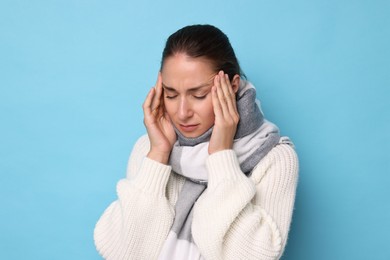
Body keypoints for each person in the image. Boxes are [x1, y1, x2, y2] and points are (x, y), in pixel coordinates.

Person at [94, 24, 298, 260]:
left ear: (232, 86)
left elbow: (253, 255)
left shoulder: (273, 158)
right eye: (170, 94)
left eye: (199, 95)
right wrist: (159, 155)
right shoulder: (149, 149)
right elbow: (126, 252)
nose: (182, 113)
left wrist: (221, 156)